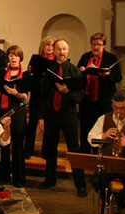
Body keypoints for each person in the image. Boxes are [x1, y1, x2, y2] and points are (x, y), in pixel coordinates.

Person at [37, 39, 87, 197]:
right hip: (51, 114)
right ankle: (50, 180)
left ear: (68, 50)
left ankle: (80, 184)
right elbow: (43, 96)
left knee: (74, 149)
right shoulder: (49, 70)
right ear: (54, 50)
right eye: (59, 49)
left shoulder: (74, 71)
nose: (61, 52)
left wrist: (67, 92)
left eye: (64, 49)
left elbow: (80, 96)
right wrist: (41, 118)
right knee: (50, 148)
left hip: (68, 114)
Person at [88, 90, 125, 212]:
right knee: (96, 180)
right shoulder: (104, 118)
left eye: (122, 108)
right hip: (108, 165)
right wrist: (103, 135)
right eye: (115, 108)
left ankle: (115, 203)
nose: (118, 112)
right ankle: (111, 205)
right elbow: (90, 139)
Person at [78, 33, 122, 154]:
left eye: (99, 44)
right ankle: (85, 152)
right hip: (87, 98)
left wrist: (108, 75)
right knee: (86, 126)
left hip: (103, 99)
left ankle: (100, 152)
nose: (96, 47)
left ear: (104, 45)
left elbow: (118, 77)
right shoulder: (85, 56)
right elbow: (77, 74)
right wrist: (81, 71)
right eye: (94, 44)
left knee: (102, 126)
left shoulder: (110, 58)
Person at [0, 45, 29, 187]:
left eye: (16, 55)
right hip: (2, 110)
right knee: (3, 143)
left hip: (17, 111)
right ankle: (3, 176)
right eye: (11, 55)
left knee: (18, 144)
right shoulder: (2, 72)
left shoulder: (25, 74)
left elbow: (25, 97)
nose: (13, 58)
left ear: (20, 58)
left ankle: (19, 178)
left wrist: (15, 93)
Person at [24, 36, 56, 159]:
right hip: (36, 94)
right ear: (42, 46)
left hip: (49, 96)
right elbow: (30, 74)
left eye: (52, 45)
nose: (49, 47)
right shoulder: (36, 58)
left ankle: (46, 151)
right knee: (32, 123)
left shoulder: (56, 61)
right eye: (47, 45)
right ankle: (28, 150)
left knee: (48, 125)